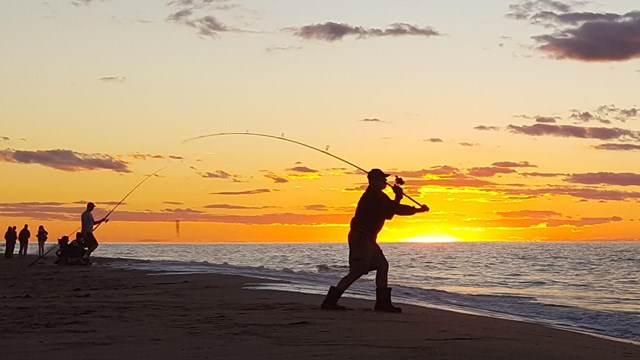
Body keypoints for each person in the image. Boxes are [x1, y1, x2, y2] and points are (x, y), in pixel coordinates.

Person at [321, 168, 429, 313]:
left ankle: (382, 304)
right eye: (381, 179)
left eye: (384, 179)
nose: (385, 182)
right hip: (361, 237)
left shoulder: (379, 196)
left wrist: (415, 209)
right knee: (357, 271)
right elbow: (389, 213)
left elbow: (392, 208)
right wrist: (400, 199)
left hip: (368, 238)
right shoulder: (371, 197)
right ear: (372, 181)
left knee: (382, 266)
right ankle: (330, 302)